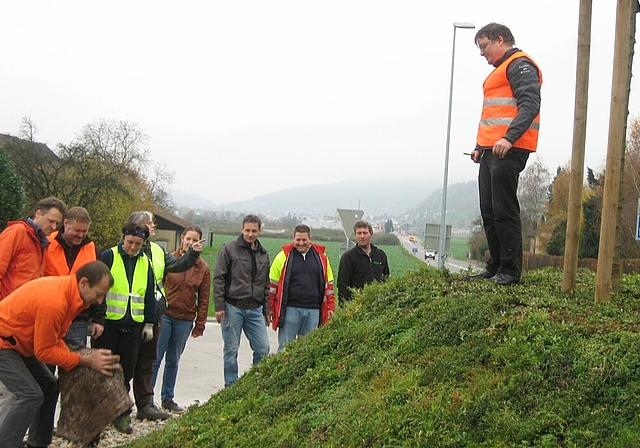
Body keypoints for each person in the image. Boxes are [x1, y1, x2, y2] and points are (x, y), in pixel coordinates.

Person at [0, 261, 120, 448]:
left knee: (49, 387)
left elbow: (55, 339)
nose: (99, 301)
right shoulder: (55, 302)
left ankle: (38, 443)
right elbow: (44, 351)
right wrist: (85, 360)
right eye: (98, 294)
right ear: (83, 283)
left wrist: (81, 359)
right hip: (3, 344)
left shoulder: (71, 295)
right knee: (30, 395)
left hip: (18, 344)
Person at [466, 22, 542, 286]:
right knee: (489, 210)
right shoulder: (498, 72)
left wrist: (509, 138)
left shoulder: (520, 65)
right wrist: (479, 146)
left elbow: (530, 104)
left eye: (484, 46)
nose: (482, 53)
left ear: (501, 40)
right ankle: (496, 265)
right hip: (490, 150)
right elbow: (492, 116)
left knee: (503, 210)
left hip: (508, 150)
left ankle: (510, 271)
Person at [127, 211, 203, 421]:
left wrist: (193, 254)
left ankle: (146, 404)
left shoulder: (157, 250)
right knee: (127, 364)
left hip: (154, 314)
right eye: (150, 223)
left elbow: (176, 265)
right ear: (139, 226)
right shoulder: (125, 250)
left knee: (147, 361)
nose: (154, 226)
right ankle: (120, 407)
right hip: (128, 316)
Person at [92, 223, 156, 434]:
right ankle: (99, 414)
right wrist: (97, 319)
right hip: (109, 324)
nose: (133, 247)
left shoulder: (146, 262)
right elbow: (97, 290)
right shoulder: (108, 256)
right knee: (103, 371)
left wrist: (148, 322)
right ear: (123, 239)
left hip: (133, 326)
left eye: (138, 244)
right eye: (130, 242)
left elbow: (148, 294)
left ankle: (121, 414)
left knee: (125, 372)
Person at [151, 225, 210, 413]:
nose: (191, 243)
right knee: (155, 358)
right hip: (165, 316)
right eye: (188, 239)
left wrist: (200, 323)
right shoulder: (168, 259)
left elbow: (204, 298)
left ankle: (167, 398)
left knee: (173, 360)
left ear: (200, 242)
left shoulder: (203, 268)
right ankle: (147, 397)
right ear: (182, 239)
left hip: (185, 319)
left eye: (195, 240)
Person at [213, 214, 271, 388]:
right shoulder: (229, 249)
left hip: (255, 309)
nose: (250, 234)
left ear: (259, 231)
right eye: (247, 230)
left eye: (254, 231)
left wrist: (266, 310)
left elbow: (266, 284)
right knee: (231, 350)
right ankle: (230, 386)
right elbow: (219, 279)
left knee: (263, 348)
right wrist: (219, 306)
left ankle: (255, 385)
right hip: (233, 307)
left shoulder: (264, 254)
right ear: (241, 229)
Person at [269, 224, 335, 352]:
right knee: (285, 348)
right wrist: (271, 307)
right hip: (289, 310)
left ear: (310, 239)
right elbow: (272, 285)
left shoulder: (322, 258)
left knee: (308, 350)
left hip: (313, 311)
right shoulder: (283, 256)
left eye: (304, 240)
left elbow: (329, 285)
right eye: (298, 240)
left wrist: (330, 306)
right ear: (293, 239)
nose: (300, 243)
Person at [44, 206, 103, 347]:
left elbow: (100, 286)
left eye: (85, 231)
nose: (81, 235)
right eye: (77, 230)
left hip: (78, 319)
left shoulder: (93, 250)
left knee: (75, 366)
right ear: (65, 224)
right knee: (43, 366)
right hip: (47, 316)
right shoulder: (46, 243)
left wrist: (98, 319)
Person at [0, 196, 67, 300]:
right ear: (38, 214)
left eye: (57, 224)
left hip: (25, 309)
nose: (54, 227)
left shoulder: (43, 243)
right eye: (51, 221)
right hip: (7, 308)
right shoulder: (17, 232)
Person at [337, 220, 389, 303]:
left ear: (371, 234)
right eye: (359, 233)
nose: (362, 236)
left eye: (365, 233)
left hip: (379, 305)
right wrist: (347, 306)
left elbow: (386, 279)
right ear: (355, 235)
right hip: (357, 305)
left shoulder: (380, 255)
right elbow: (343, 284)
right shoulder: (348, 257)